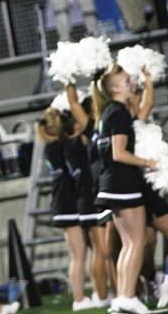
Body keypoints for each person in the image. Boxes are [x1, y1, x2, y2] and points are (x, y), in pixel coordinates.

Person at [90, 64, 157, 314]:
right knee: (136, 241)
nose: (132, 83)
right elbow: (119, 153)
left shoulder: (110, 111)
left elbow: (142, 113)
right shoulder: (116, 113)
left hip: (112, 184)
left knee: (129, 243)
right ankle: (128, 295)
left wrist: (147, 82)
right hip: (122, 183)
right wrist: (147, 162)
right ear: (116, 87)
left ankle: (122, 297)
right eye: (127, 80)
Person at [127, 69, 168, 307]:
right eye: (133, 97)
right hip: (148, 187)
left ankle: (149, 285)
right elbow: (149, 102)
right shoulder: (131, 122)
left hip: (136, 189)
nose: (137, 99)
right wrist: (147, 79)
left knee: (144, 241)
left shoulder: (118, 123)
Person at [35, 108, 94, 310]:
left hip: (63, 203)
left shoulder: (50, 147)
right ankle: (78, 299)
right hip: (68, 203)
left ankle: (83, 296)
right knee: (78, 254)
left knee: (80, 253)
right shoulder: (59, 146)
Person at [65, 84, 116, 306]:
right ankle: (106, 294)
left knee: (106, 250)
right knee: (104, 251)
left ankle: (109, 293)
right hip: (96, 194)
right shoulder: (90, 131)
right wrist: (68, 75)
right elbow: (74, 104)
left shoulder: (99, 128)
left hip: (100, 192)